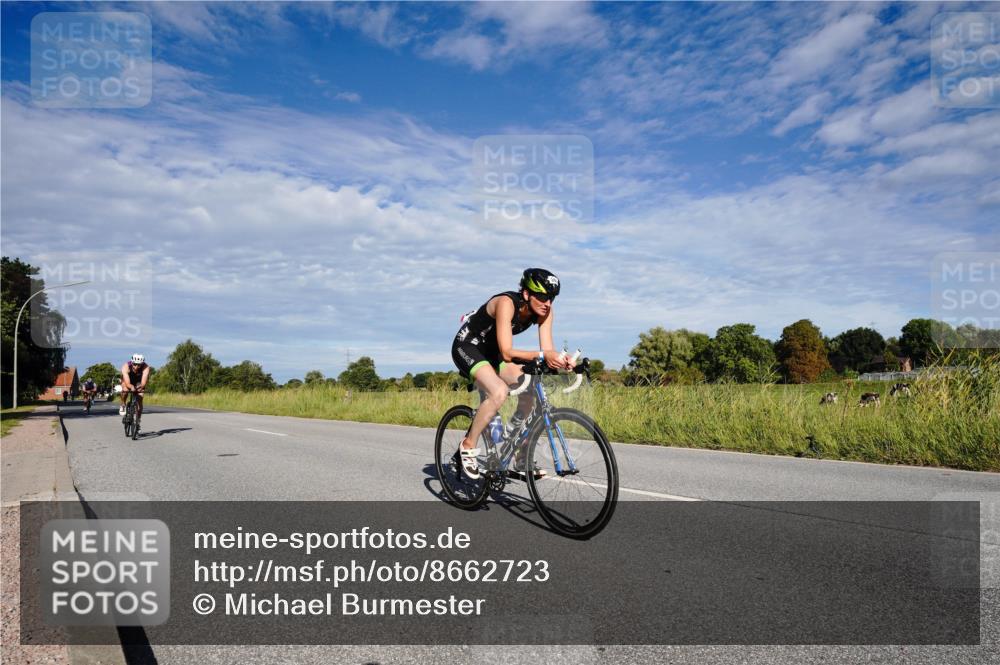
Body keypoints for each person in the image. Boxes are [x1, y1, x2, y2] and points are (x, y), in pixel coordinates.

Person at [451, 268, 574, 480]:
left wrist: (563, 362)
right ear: (526, 293)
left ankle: (518, 453)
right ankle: (468, 445)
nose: (547, 303)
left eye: (551, 298)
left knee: (531, 387)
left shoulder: (545, 311)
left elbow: (547, 351)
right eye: (542, 297)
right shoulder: (506, 303)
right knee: (498, 392)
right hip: (468, 346)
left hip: (494, 353)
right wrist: (546, 355)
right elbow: (508, 352)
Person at [119, 354, 151, 425]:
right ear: (132, 362)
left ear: (142, 364)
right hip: (128, 380)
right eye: (134, 364)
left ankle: (138, 420)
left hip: (138, 381)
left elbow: (143, 383)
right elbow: (127, 383)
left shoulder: (146, 367)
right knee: (125, 390)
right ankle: (123, 404)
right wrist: (131, 387)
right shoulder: (126, 366)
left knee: (140, 398)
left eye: (139, 365)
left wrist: (140, 387)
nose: (136, 366)